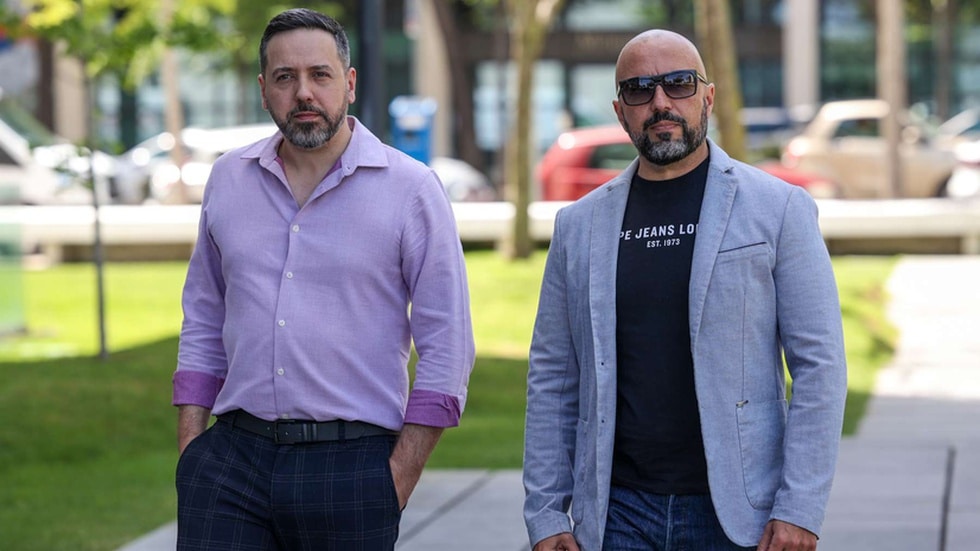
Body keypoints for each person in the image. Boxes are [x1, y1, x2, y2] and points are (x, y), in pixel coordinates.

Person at [523, 29, 846, 551]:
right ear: (620, 110)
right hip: (614, 514)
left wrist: (800, 508)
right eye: (639, 90)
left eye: (678, 84)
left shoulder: (778, 209)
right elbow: (553, 376)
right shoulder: (577, 227)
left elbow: (820, 366)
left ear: (708, 97)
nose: (660, 103)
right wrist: (545, 513)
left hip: (741, 517)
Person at [173, 8, 475, 550]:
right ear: (264, 90)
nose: (304, 92)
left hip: (353, 469)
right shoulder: (227, 179)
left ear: (350, 84)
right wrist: (191, 453)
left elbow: (448, 345)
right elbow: (203, 320)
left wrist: (397, 479)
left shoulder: (411, 190)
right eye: (285, 78)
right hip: (229, 465)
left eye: (321, 75)